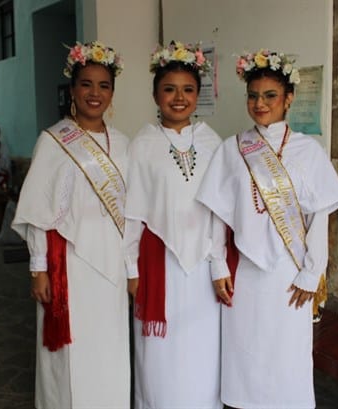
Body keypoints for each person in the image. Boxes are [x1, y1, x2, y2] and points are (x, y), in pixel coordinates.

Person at [196, 49, 338, 408]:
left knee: (287, 362)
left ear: (288, 98)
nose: (260, 104)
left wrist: (313, 273)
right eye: (253, 96)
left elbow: (320, 217)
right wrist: (218, 264)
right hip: (247, 274)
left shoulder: (308, 151)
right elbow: (218, 215)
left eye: (270, 96)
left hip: (289, 276)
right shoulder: (232, 149)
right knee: (245, 354)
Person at [11, 41, 130, 409]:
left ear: (112, 91)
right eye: (86, 84)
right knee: (71, 356)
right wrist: (38, 269)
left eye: (104, 85)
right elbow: (38, 213)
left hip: (111, 266)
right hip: (71, 267)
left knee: (108, 348)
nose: (95, 94)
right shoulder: (53, 141)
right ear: (72, 89)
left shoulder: (123, 144)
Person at [124, 41, 226, 409]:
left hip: (202, 269)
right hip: (159, 266)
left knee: (202, 354)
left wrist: (218, 263)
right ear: (155, 94)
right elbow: (133, 212)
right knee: (159, 357)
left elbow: (219, 211)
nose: (178, 98)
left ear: (198, 95)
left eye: (187, 90)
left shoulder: (214, 143)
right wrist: (131, 268)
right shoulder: (142, 145)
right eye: (169, 89)